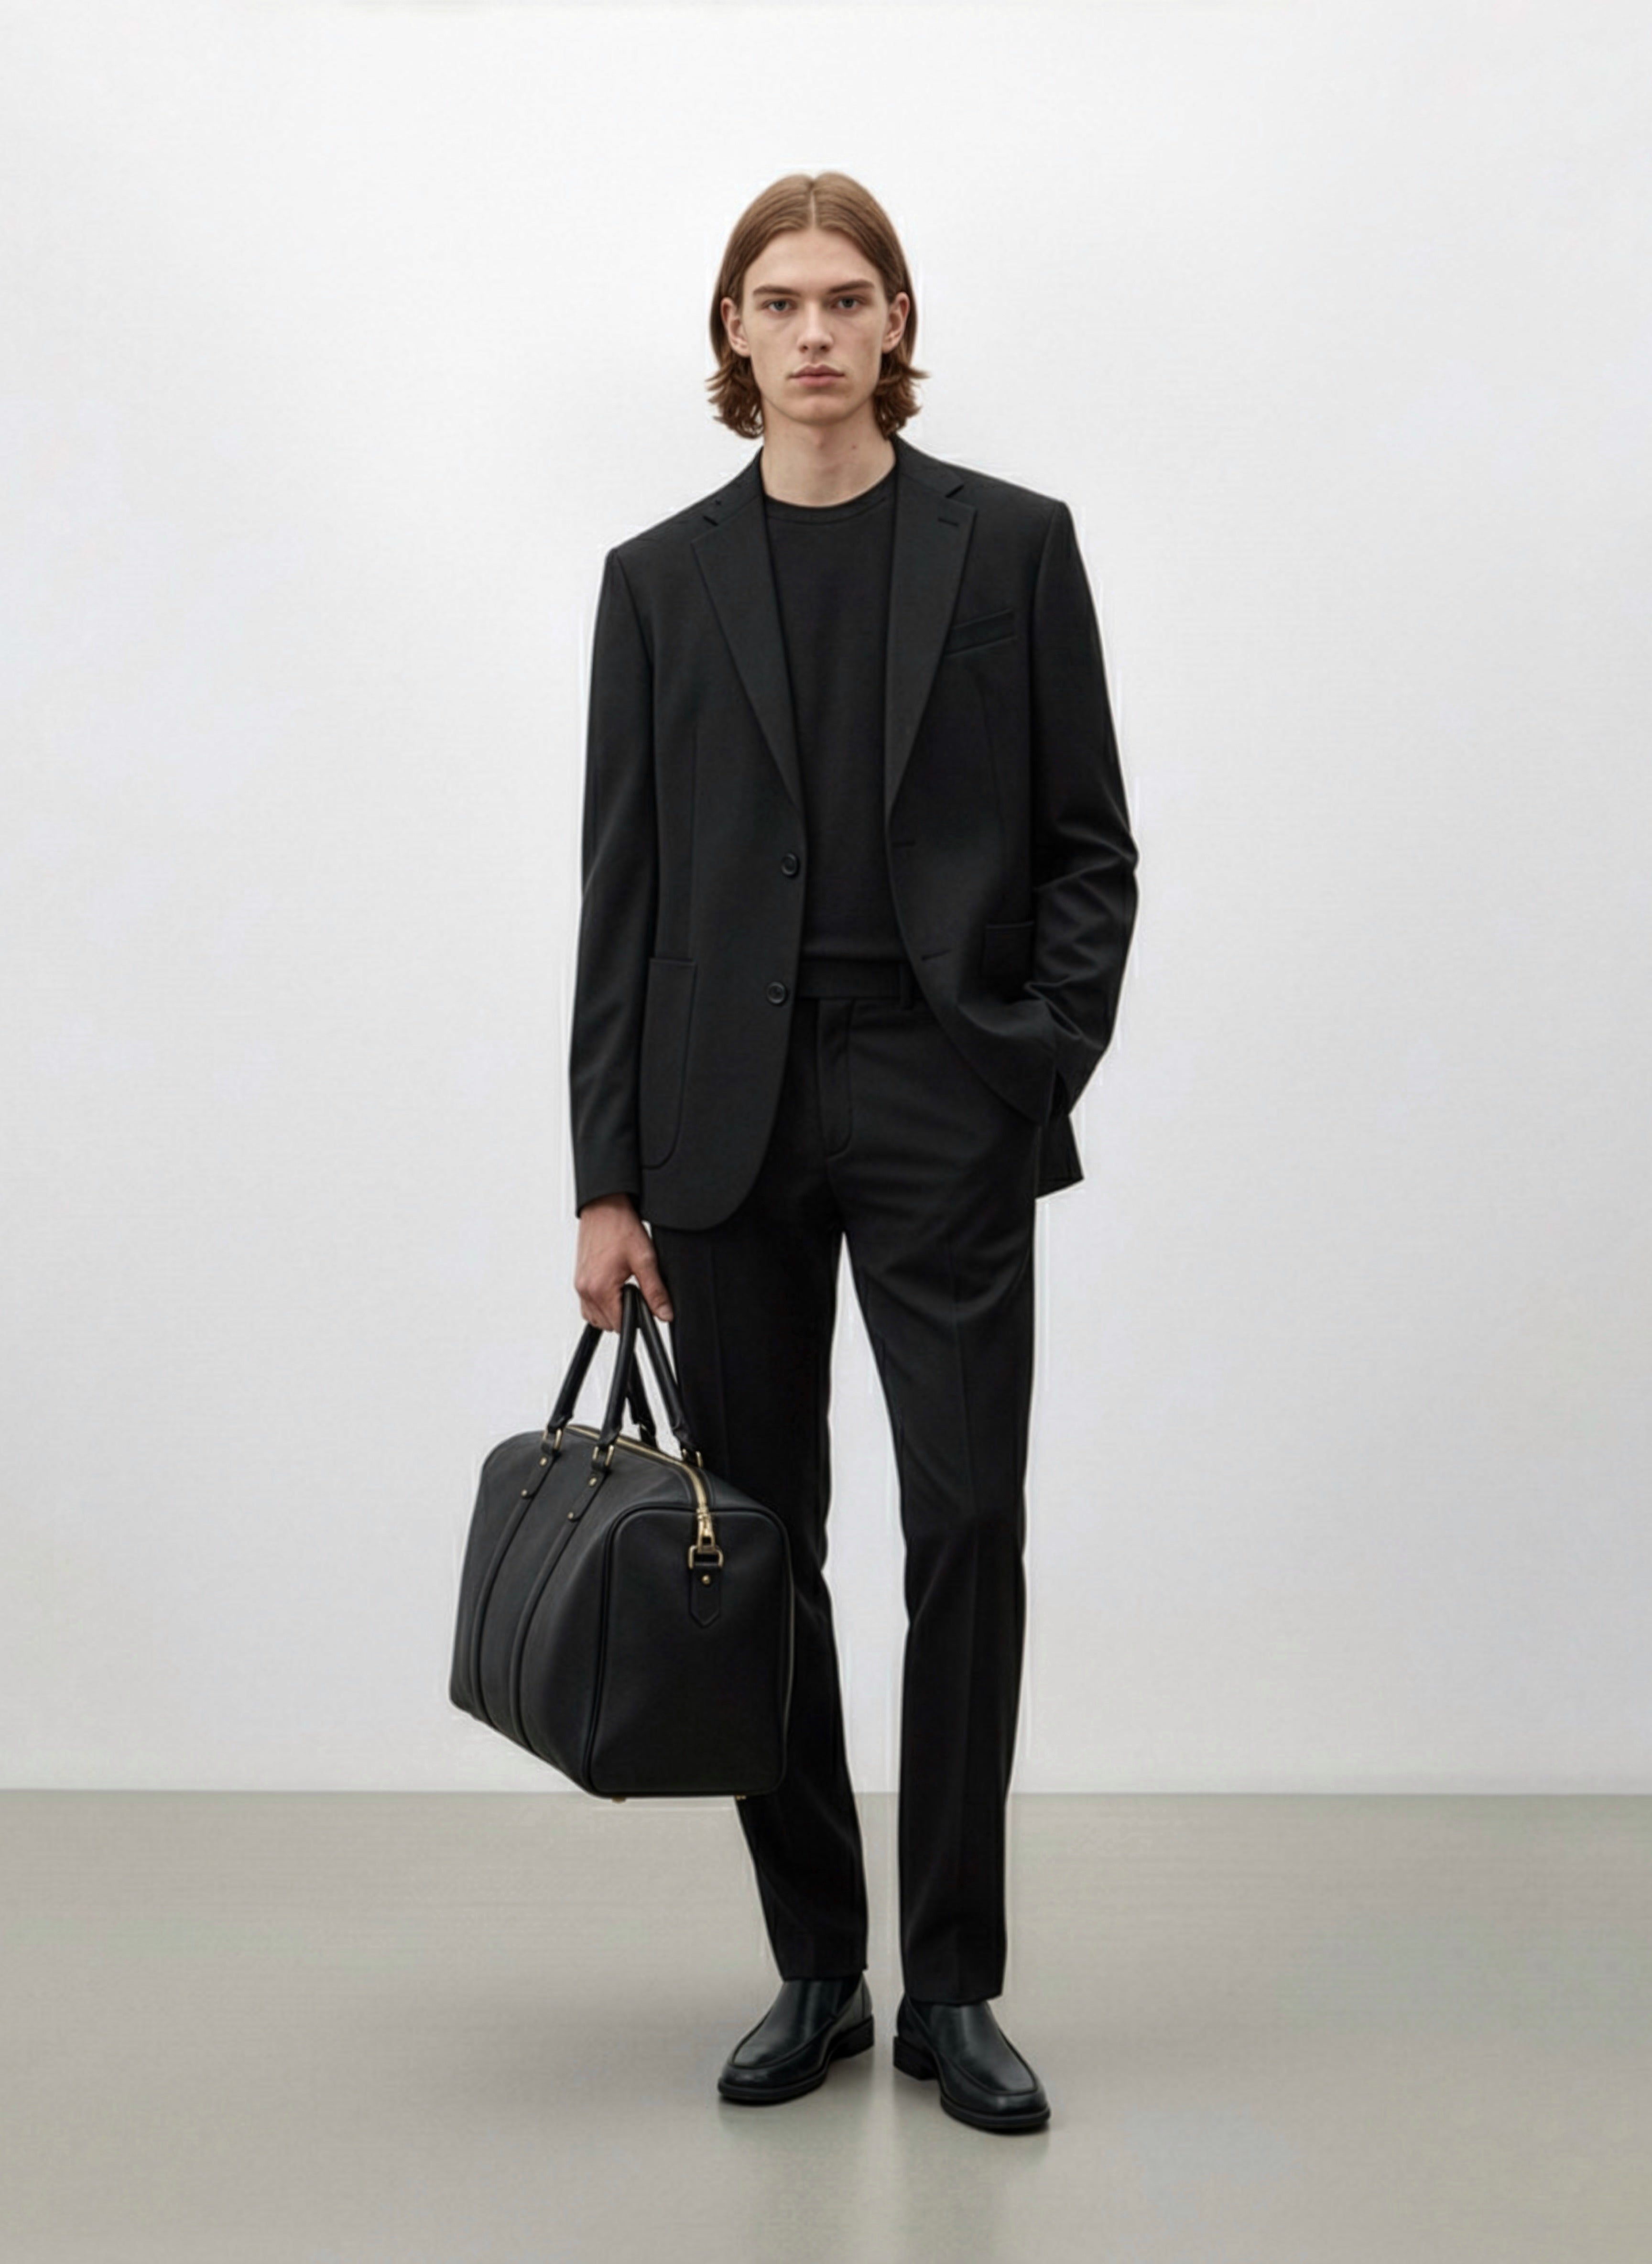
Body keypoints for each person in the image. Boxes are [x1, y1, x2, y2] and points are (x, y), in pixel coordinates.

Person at [568, 172, 1139, 2134]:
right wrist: (605, 1179)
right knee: (764, 1547)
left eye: (847, 297)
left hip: (938, 1094)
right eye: (778, 299)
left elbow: (1090, 844)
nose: (813, 331)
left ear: (898, 321)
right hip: (720, 1120)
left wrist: (1031, 1064)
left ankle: (954, 1984)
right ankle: (818, 1960)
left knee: (967, 1524)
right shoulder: (657, 580)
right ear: (733, 333)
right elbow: (622, 896)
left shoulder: (1012, 546)